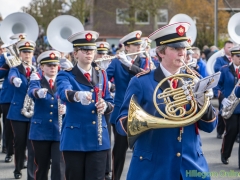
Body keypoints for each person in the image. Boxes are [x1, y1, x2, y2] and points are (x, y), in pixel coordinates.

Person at [116, 22, 217, 180]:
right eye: (175, 48)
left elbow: (210, 126)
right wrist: (151, 116)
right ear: (160, 52)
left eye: (183, 48)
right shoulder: (141, 82)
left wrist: (203, 100)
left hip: (191, 166)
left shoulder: (194, 80)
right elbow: (121, 122)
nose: (182, 53)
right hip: (153, 167)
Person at [56, 30, 114, 180]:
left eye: (91, 50)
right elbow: (63, 92)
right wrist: (77, 95)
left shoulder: (101, 73)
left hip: (98, 138)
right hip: (75, 139)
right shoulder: (65, 74)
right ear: (75, 54)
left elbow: (110, 101)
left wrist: (105, 106)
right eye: (84, 50)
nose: (89, 53)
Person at [106, 30, 150, 180]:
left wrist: (128, 65)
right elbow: (105, 80)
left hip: (142, 112)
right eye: (134, 45)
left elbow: (146, 75)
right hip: (120, 112)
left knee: (143, 150)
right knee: (119, 151)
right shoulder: (116, 62)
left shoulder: (145, 61)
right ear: (126, 47)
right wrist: (102, 70)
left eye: (139, 44)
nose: (138, 47)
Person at [28, 50, 65, 180]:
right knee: (41, 167)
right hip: (40, 132)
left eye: (54, 65)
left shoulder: (62, 81)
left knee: (58, 166)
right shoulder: (36, 80)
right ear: (42, 67)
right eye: (49, 65)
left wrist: (66, 107)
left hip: (58, 130)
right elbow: (32, 91)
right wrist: (38, 92)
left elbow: (69, 94)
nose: (52, 68)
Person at [7, 39, 36, 179]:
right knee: (19, 142)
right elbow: (11, 77)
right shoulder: (16, 69)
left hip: (34, 111)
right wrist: (14, 80)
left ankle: (32, 173)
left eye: (29, 52)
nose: (27, 55)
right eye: (24, 52)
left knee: (33, 144)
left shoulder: (37, 69)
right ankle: (18, 169)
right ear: (20, 54)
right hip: (18, 112)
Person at [216, 46, 240, 167]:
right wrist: (222, 99)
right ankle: (225, 154)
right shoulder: (224, 70)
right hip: (231, 107)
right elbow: (217, 87)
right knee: (231, 132)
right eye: (238, 56)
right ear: (232, 57)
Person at [95, 41, 112, 180]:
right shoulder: (93, 68)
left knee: (105, 136)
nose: (102, 55)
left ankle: (107, 169)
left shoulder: (109, 65)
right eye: (100, 53)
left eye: (104, 53)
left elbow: (111, 88)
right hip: (92, 106)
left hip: (105, 105)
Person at [214, 40, 234, 139]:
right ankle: (220, 131)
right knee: (223, 111)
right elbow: (216, 69)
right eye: (228, 47)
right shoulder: (220, 59)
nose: (230, 49)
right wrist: (228, 66)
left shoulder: (236, 58)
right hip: (223, 89)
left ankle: (235, 133)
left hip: (233, 89)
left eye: (231, 47)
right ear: (224, 49)